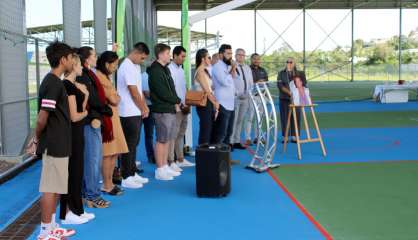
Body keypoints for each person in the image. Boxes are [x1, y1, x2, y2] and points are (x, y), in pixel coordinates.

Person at [26, 41, 76, 240]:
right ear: (63, 60)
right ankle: (45, 232)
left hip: (60, 143)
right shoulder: (53, 83)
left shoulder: (55, 82)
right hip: (54, 144)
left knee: (56, 187)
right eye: (71, 57)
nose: (73, 61)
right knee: (49, 188)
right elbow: (41, 117)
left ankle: (52, 226)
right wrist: (36, 139)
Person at [60, 53, 95, 225]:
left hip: (77, 132)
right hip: (72, 133)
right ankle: (69, 212)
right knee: (73, 172)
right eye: (80, 64)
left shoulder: (74, 85)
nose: (82, 67)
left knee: (77, 171)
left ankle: (78, 209)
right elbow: (75, 116)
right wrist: (87, 113)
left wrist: (86, 95)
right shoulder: (67, 86)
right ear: (73, 66)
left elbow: (80, 107)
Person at [76, 46, 111, 208]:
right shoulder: (84, 75)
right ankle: (92, 195)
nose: (96, 58)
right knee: (92, 160)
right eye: (94, 55)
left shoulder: (88, 74)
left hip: (93, 120)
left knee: (92, 159)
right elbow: (92, 99)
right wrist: (105, 109)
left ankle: (87, 193)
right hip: (90, 122)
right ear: (86, 59)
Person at [117, 42, 150, 189]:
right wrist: (143, 108)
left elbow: (139, 90)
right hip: (127, 112)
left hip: (135, 111)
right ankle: (126, 176)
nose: (142, 61)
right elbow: (133, 91)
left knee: (134, 144)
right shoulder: (126, 66)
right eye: (142, 58)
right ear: (136, 53)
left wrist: (143, 107)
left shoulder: (135, 66)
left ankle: (132, 171)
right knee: (128, 145)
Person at [96, 50, 129, 195]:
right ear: (106, 64)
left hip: (113, 118)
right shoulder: (101, 77)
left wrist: (116, 97)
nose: (116, 67)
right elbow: (115, 99)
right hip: (107, 120)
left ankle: (109, 183)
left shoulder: (105, 77)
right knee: (108, 153)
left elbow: (115, 98)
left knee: (113, 153)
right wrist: (116, 97)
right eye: (114, 64)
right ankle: (107, 184)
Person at [148, 43, 182, 181]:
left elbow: (171, 88)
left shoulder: (165, 69)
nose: (169, 56)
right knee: (161, 140)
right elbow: (162, 92)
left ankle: (165, 165)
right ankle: (160, 168)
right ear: (160, 54)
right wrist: (177, 100)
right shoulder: (155, 71)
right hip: (161, 109)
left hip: (169, 108)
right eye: (168, 53)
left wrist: (176, 101)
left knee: (167, 139)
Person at [168, 46, 195, 169]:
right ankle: (171, 161)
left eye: (185, 56)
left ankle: (180, 159)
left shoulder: (181, 69)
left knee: (181, 134)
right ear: (174, 55)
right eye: (182, 56)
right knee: (173, 135)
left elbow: (183, 88)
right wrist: (179, 104)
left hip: (185, 106)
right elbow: (171, 90)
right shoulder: (169, 69)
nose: (184, 59)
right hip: (176, 107)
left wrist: (187, 103)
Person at [211, 44, 237, 147]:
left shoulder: (228, 66)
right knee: (221, 132)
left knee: (229, 132)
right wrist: (232, 69)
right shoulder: (217, 66)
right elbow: (224, 82)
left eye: (231, 53)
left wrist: (233, 68)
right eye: (228, 53)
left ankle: (226, 158)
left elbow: (233, 77)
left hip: (231, 103)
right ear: (221, 54)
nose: (230, 56)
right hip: (222, 104)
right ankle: (218, 158)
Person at [277, 57, 307, 142]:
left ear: (294, 63)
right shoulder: (281, 73)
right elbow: (280, 86)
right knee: (285, 118)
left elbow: (304, 84)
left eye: (291, 62)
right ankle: (285, 137)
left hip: (297, 100)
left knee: (296, 117)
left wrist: (296, 94)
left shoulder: (300, 73)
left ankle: (295, 136)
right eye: (287, 62)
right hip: (284, 99)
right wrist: (290, 93)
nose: (289, 63)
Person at [194, 48, 219, 145]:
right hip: (204, 103)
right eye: (208, 57)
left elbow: (211, 88)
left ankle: (207, 154)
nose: (210, 59)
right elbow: (207, 91)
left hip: (208, 102)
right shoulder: (200, 71)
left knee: (209, 129)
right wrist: (215, 103)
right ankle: (202, 155)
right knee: (206, 129)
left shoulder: (205, 71)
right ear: (202, 59)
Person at [230, 48, 253, 150]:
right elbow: (229, 81)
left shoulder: (247, 68)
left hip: (246, 98)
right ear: (235, 55)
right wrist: (235, 93)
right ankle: (230, 142)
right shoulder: (231, 66)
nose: (241, 57)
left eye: (243, 55)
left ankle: (236, 141)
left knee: (240, 120)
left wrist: (249, 93)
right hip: (235, 98)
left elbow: (250, 82)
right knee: (233, 120)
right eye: (239, 55)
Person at [245, 53, 269, 145]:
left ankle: (258, 137)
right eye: (254, 59)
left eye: (258, 59)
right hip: (252, 96)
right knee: (250, 117)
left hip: (261, 97)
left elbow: (267, 83)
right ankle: (247, 138)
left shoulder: (263, 70)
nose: (256, 60)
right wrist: (257, 83)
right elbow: (247, 83)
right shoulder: (247, 69)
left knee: (260, 119)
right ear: (251, 60)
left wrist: (265, 95)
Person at [142, 66, 156, 164]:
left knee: (148, 134)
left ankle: (151, 156)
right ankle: (151, 156)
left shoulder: (143, 76)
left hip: (144, 107)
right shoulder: (146, 77)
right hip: (148, 107)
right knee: (149, 134)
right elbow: (147, 93)